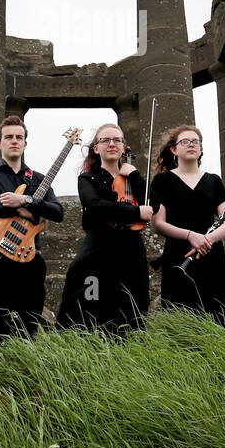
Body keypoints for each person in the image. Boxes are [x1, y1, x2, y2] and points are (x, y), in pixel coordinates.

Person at [0, 115, 64, 343]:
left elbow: (58, 212)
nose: (14, 141)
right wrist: (7, 207)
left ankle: (24, 367)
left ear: (25, 144)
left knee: (29, 324)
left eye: (19, 137)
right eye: (8, 137)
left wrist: (27, 201)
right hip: (0, 259)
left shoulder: (38, 179)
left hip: (32, 260)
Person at [56, 123, 152, 333]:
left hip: (131, 251)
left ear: (123, 146)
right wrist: (135, 213)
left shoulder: (133, 179)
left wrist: (134, 176)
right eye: (105, 140)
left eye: (117, 140)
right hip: (98, 252)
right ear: (96, 148)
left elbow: (154, 203)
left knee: (132, 308)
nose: (111, 144)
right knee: (88, 307)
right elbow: (95, 205)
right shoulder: (88, 178)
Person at [148, 125, 225, 324]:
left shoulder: (214, 181)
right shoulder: (162, 181)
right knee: (180, 318)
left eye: (196, 142)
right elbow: (158, 224)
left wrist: (207, 239)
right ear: (174, 150)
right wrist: (190, 236)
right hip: (178, 256)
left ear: (201, 149)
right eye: (185, 141)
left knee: (216, 317)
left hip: (212, 255)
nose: (191, 145)